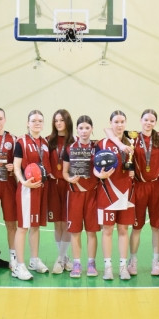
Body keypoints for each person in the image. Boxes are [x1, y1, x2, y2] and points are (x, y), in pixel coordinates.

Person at [116, 110, 159, 276]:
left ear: (155, 122)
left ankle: (156, 261)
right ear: (140, 120)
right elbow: (108, 131)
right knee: (136, 227)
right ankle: (133, 260)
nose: (148, 123)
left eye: (152, 120)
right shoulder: (132, 137)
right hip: (138, 186)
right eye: (146, 120)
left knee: (156, 227)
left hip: (156, 186)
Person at [94, 110, 136, 280]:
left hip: (127, 193)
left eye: (122, 122)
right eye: (116, 122)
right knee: (108, 230)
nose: (119, 125)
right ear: (110, 123)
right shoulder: (102, 143)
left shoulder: (131, 141)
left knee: (123, 229)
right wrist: (99, 175)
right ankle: (108, 267)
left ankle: (123, 267)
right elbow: (94, 167)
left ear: (126, 123)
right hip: (107, 192)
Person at [11, 110, 52, 281]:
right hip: (27, 189)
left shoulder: (45, 142)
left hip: (41, 188)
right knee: (23, 227)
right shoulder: (21, 142)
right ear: (27, 123)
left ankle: (34, 260)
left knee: (35, 226)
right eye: (33, 120)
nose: (37, 123)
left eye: (40, 120)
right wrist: (23, 182)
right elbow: (16, 167)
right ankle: (19, 266)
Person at [62, 115, 100, 278]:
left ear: (92, 129)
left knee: (92, 231)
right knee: (75, 231)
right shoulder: (69, 148)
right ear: (76, 130)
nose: (84, 131)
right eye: (81, 128)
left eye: (87, 128)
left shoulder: (97, 148)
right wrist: (69, 179)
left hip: (92, 194)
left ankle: (91, 263)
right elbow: (64, 172)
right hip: (75, 194)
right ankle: (77, 263)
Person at [47, 109, 75, 274]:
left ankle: (60, 258)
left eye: (61, 120)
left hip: (68, 186)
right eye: (56, 120)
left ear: (67, 122)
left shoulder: (74, 142)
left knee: (66, 223)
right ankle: (63, 257)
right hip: (53, 186)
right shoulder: (48, 141)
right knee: (57, 223)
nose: (58, 123)